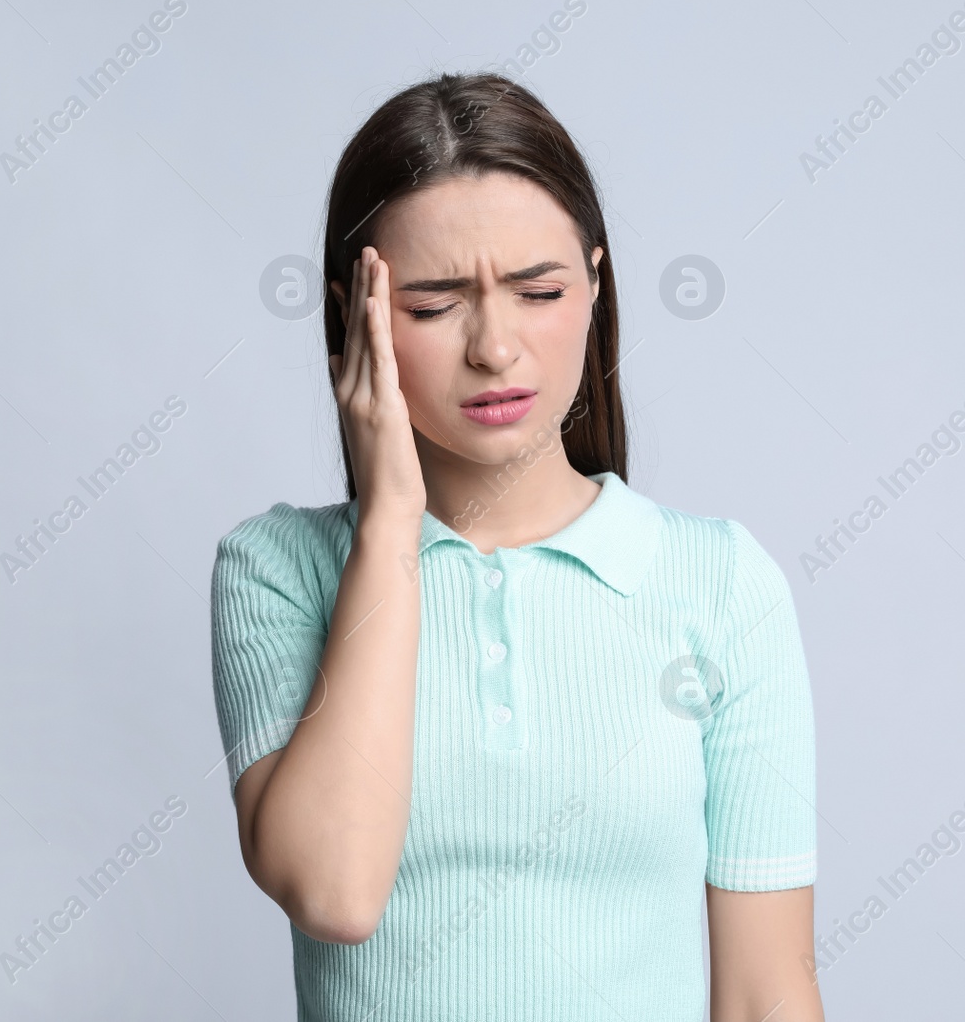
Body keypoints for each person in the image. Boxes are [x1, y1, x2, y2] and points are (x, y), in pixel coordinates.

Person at [211, 71, 824, 1021]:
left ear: (594, 285)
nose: (495, 347)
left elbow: (766, 995)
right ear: (352, 321)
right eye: (431, 306)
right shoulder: (277, 571)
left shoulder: (720, 584)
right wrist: (388, 525)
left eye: (537, 290)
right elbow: (335, 892)